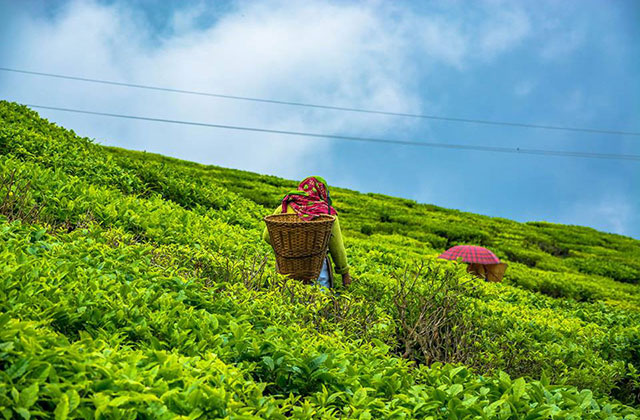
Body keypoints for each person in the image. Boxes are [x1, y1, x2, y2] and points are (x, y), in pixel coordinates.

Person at [263, 176, 352, 288]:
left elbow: (267, 236)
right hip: (318, 269)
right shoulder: (328, 213)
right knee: (319, 301)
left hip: (287, 266)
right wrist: (344, 273)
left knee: (288, 298)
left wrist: (288, 248)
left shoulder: (283, 207)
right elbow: (337, 247)